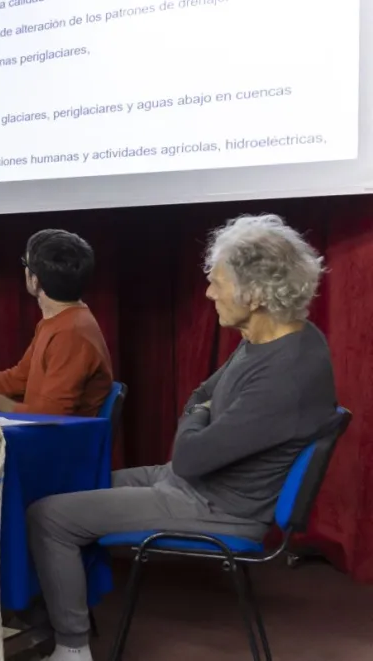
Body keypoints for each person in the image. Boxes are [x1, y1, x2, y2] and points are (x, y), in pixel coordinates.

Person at [23, 214, 339, 661]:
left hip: (216, 506)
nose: (209, 293)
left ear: (254, 292)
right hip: (191, 484)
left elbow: (190, 453)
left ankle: (71, 648)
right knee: (61, 490)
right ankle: (48, 615)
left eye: (218, 282)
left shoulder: (286, 375)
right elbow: (200, 396)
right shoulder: (269, 338)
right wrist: (199, 413)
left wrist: (195, 418)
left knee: (48, 516)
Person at [0, 229, 112, 416]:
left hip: (55, 443)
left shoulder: (71, 333)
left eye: (26, 264)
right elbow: (20, 379)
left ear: (35, 280)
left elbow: (51, 417)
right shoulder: (61, 321)